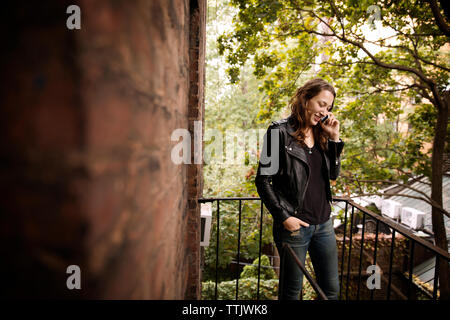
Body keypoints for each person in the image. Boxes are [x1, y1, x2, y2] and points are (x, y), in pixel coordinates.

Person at [255, 78, 344, 300]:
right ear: (305, 99)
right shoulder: (278, 132)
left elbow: (333, 175)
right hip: (294, 227)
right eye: (321, 104)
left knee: (331, 291)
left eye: (329, 108)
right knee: (291, 293)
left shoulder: (323, 133)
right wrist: (284, 217)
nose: (325, 112)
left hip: (323, 224)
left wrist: (334, 139)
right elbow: (262, 180)